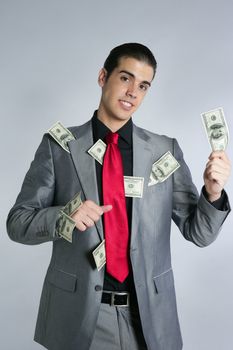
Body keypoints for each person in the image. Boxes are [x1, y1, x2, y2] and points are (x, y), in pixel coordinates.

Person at [7, 43, 231, 350]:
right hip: (82, 318)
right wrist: (63, 217)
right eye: (125, 78)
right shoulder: (59, 147)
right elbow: (17, 223)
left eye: (143, 86)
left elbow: (200, 233)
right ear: (103, 77)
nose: (132, 93)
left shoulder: (165, 151)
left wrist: (213, 191)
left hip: (150, 318)